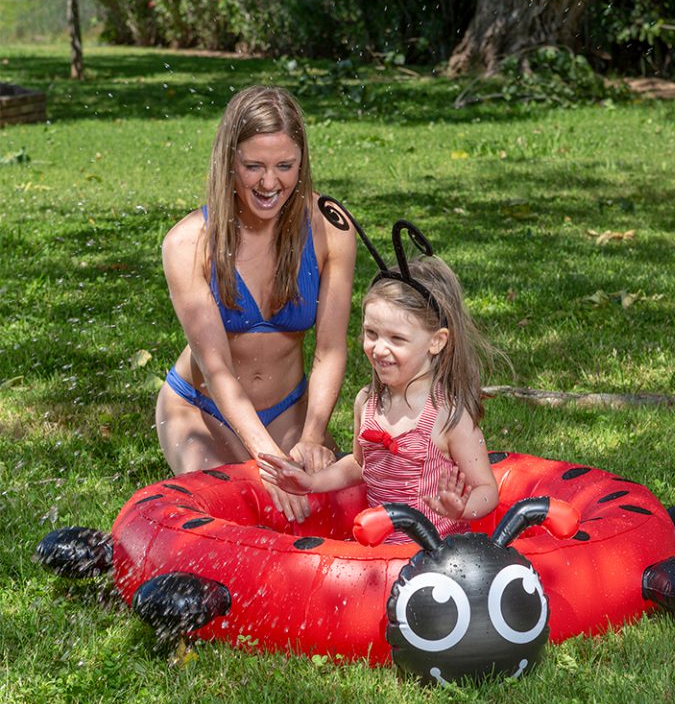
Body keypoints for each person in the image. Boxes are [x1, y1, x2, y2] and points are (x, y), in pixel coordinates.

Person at [155, 86, 357, 525]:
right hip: (200, 410)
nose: (270, 183)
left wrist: (312, 436)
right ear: (229, 163)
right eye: (254, 167)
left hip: (290, 409)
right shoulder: (188, 243)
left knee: (326, 513)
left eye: (285, 166)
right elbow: (217, 369)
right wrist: (269, 460)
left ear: (301, 164)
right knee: (233, 517)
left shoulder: (329, 227)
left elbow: (330, 349)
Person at [257, 249, 499, 543]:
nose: (379, 348)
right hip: (378, 554)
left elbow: (487, 490)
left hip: (436, 560)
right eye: (372, 333)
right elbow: (360, 465)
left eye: (396, 339)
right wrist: (312, 483)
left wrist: (461, 509)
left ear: (436, 341)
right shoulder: (367, 403)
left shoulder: (449, 416)